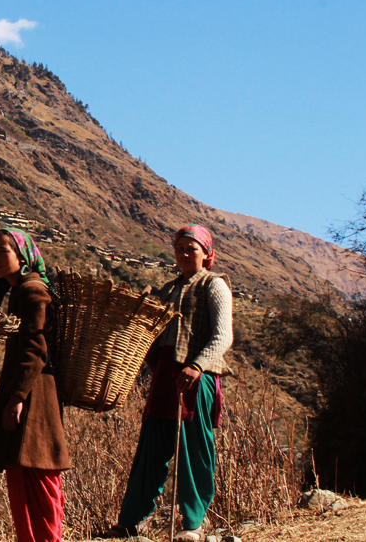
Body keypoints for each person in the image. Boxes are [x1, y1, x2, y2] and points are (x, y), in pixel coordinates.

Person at [103, 225, 233, 542]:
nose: (186, 254)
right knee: (150, 449)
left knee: (193, 450)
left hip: (196, 378)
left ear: (206, 253)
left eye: (192, 248)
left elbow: (223, 336)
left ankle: (193, 524)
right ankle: (131, 521)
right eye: (181, 249)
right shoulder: (168, 290)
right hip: (163, 376)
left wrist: (197, 366)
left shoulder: (214, 286)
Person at [0, 228, 70, 542]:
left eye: (2, 251)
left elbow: (35, 347)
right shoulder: (20, 292)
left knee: (35, 474)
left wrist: (17, 397)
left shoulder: (32, 291)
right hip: (29, 393)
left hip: (34, 396)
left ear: (22, 255)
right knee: (24, 474)